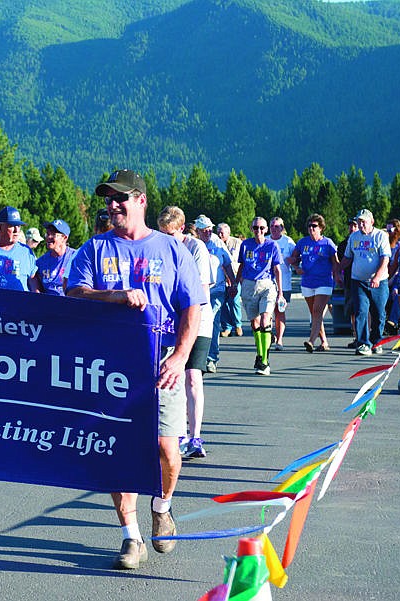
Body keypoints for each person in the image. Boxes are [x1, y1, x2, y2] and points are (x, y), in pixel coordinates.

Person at [66, 169, 205, 571]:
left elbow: (192, 306)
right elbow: (75, 294)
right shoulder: (94, 249)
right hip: (110, 365)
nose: (113, 205)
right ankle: (131, 536)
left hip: (161, 362)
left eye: (120, 198)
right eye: (108, 199)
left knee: (167, 449)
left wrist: (180, 357)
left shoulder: (171, 249)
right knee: (118, 452)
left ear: (141, 200)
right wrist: (114, 295)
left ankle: (162, 506)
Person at [157, 207, 211, 461]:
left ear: (181, 229)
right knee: (172, 377)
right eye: (161, 233)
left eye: (170, 234)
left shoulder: (196, 248)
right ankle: (176, 432)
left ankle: (195, 435)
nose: (165, 238)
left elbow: (200, 292)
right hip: (171, 323)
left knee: (192, 376)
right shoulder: (160, 248)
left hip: (197, 320)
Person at [340, 209, 391, 356]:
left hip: (378, 282)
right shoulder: (354, 237)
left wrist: (377, 277)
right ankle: (363, 343)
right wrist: (337, 270)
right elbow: (348, 257)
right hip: (358, 281)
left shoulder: (380, 236)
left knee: (378, 313)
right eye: (359, 221)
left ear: (371, 222)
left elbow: (385, 259)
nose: (361, 224)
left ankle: (376, 341)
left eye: (364, 221)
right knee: (360, 311)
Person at [235, 217, 283, 376]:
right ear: (252, 229)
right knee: (255, 323)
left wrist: (280, 293)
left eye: (262, 228)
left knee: (265, 319)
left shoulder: (272, 245)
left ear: (266, 229)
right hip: (249, 285)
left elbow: (277, 270)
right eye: (256, 228)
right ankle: (260, 353)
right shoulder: (245, 245)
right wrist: (235, 284)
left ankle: (264, 360)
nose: (259, 231)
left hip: (267, 285)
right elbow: (242, 266)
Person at [288, 214, 338, 352]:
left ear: (321, 228)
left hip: (324, 282)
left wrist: (338, 276)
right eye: (309, 226)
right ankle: (324, 342)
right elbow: (293, 258)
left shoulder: (327, 243)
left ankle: (311, 341)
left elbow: (335, 262)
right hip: (307, 282)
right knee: (315, 313)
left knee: (317, 310)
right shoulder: (302, 242)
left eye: (314, 226)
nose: (311, 228)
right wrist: (296, 268)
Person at [195, 215, 236, 373]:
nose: (208, 232)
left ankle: (211, 358)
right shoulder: (193, 244)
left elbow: (227, 263)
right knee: (198, 322)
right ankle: (198, 357)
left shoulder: (217, 243)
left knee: (210, 320)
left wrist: (233, 283)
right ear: (198, 230)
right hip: (198, 291)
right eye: (204, 230)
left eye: (209, 229)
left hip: (216, 290)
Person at [268, 217, 296, 350]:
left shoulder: (288, 241)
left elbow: (298, 256)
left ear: (282, 228)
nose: (274, 229)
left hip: (284, 283)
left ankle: (279, 340)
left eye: (277, 226)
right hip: (267, 283)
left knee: (279, 312)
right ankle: (269, 335)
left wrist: (293, 260)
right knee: (267, 313)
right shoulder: (265, 240)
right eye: (272, 226)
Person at [33, 219, 76, 295]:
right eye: (47, 234)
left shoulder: (75, 257)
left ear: (64, 238)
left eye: (53, 234)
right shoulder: (41, 262)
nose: (49, 237)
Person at [217, 222, 243, 337]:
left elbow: (240, 261)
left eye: (222, 233)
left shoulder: (237, 243)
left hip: (235, 277)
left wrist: (240, 278)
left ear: (228, 232)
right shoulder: (215, 243)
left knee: (234, 301)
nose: (220, 235)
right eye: (218, 232)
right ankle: (227, 327)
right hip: (221, 278)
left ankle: (238, 325)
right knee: (222, 304)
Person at [336, 218, 360, 347]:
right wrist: (338, 274)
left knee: (364, 310)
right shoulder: (343, 244)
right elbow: (340, 263)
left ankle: (366, 336)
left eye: (355, 225)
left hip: (364, 280)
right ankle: (357, 337)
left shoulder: (365, 242)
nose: (352, 228)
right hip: (349, 281)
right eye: (350, 226)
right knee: (352, 310)